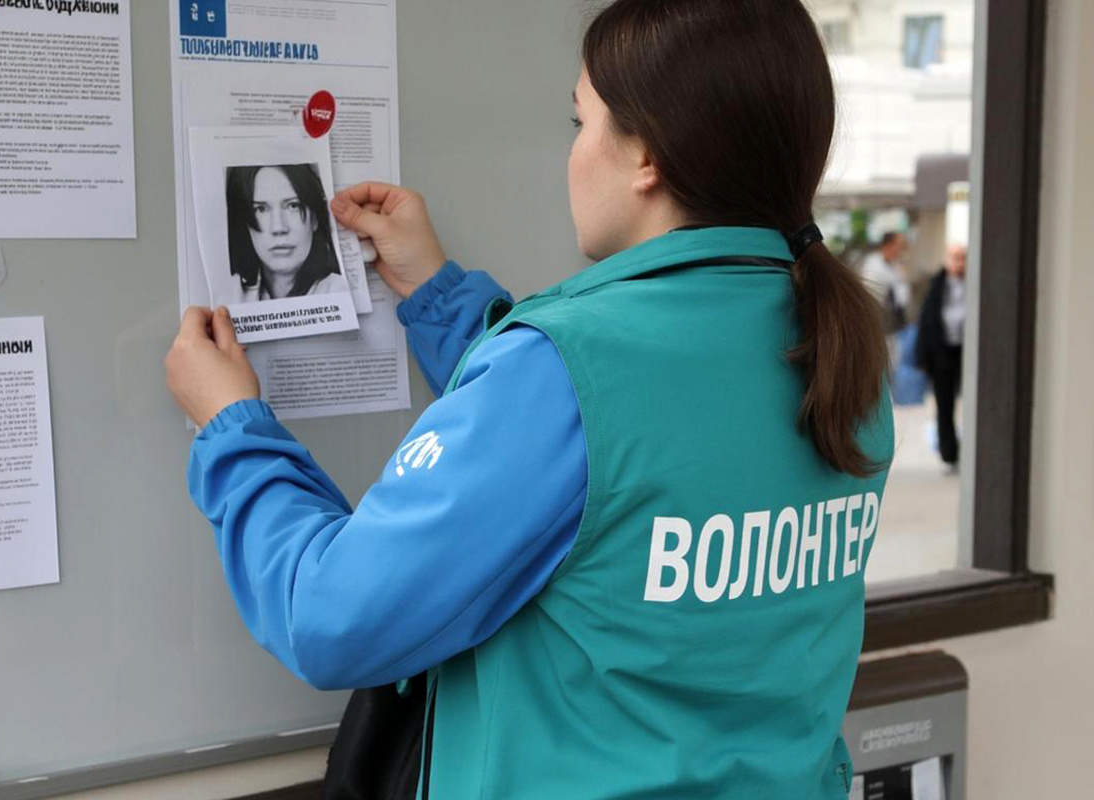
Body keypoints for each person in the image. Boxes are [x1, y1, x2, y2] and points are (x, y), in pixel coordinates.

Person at [165, 1, 894, 796]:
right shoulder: (839, 352)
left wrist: (232, 428)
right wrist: (440, 297)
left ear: (645, 152)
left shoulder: (568, 373)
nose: (573, 152)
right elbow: (601, 466)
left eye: (579, 121)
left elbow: (329, 617)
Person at [225, 163, 348, 300]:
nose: (278, 228)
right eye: (260, 209)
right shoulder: (230, 295)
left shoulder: (339, 290)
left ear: (315, 218)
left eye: (293, 206)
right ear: (246, 222)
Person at [915, 243, 968, 471]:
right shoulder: (937, 284)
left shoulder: (975, 282)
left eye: (962, 257)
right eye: (955, 257)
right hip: (942, 353)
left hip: (966, 351)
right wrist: (923, 357)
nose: (959, 262)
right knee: (944, 405)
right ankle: (949, 454)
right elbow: (926, 321)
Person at [861, 231, 911, 333]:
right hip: (876, 321)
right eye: (900, 245)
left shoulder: (896, 267)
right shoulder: (873, 265)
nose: (902, 250)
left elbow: (903, 298)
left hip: (893, 323)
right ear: (889, 245)